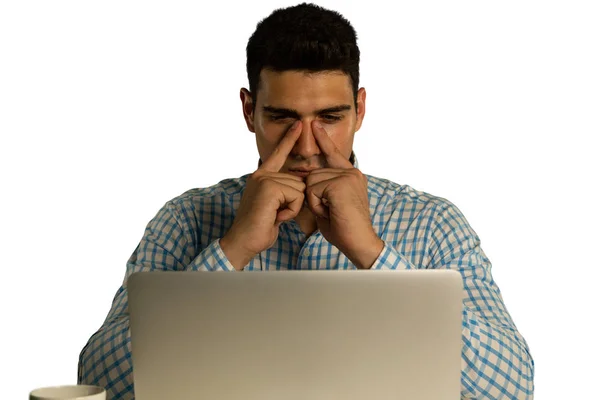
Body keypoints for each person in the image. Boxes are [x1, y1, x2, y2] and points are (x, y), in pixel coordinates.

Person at [78, 3, 534, 399]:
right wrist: (231, 249)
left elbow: (513, 386)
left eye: (330, 118)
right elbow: (98, 380)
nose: (307, 145)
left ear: (359, 110)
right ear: (248, 111)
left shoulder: (433, 223)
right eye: (282, 118)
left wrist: (371, 252)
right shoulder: (187, 219)